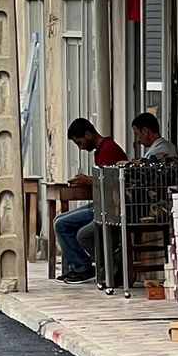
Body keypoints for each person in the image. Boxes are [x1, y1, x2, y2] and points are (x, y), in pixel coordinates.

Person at [55, 117, 129, 282]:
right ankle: (78, 266)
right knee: (59, 219)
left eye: (79, 142)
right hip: (101, 202)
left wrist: (88, 180)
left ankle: (83, 267)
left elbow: (112, 182)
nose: (80, 148)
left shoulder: (109, 150)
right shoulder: (101, 150)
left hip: (110, 207)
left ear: (88, 134)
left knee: (62, 224)